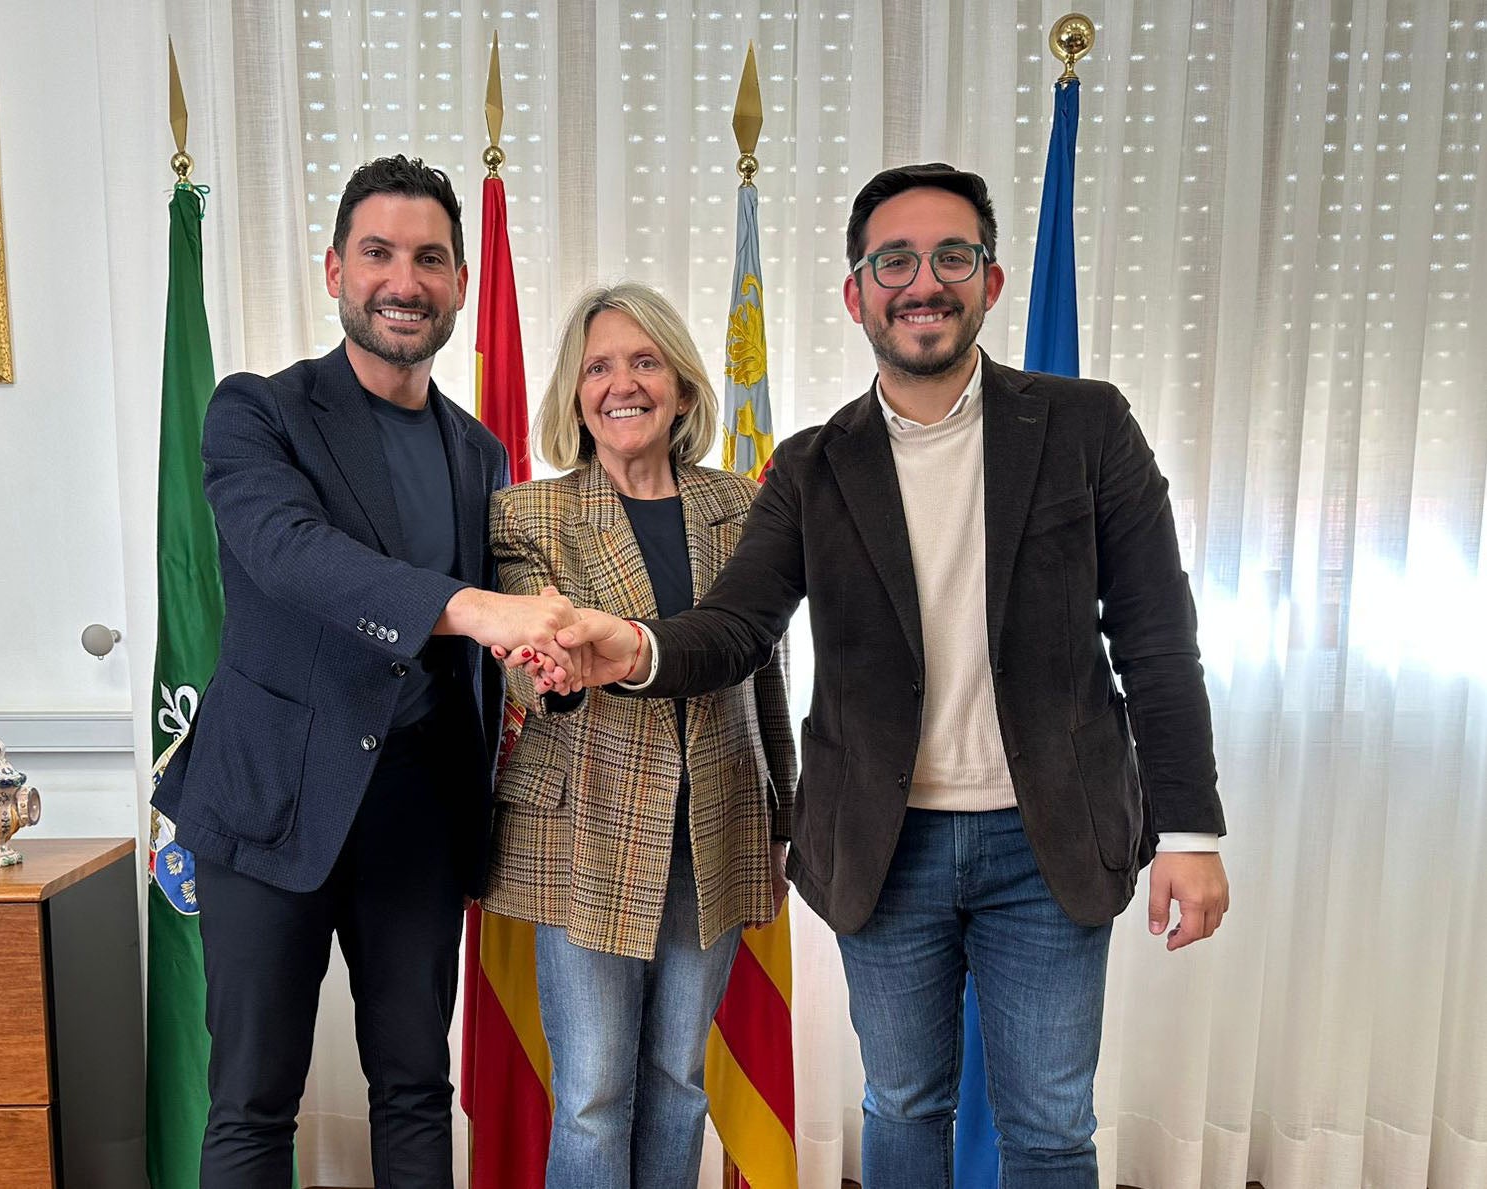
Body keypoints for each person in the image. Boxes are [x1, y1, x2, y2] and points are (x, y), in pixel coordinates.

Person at [522, 163, 1231, 1187]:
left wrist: (1190, 831)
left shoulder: (1087, 427)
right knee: (901, 1106)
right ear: (857, 294)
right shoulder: (811, 465)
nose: (923, 282)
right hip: (883, 845)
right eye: (893, 261)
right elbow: (736, 628)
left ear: (990, 281)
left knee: (1047, 1127)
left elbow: (1157, 636)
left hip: (1050, 841)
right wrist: (631, 647)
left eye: (952, 257)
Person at [151, 154, 578, 1189]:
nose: (404, 280)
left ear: (460, 284)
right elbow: (293, 554)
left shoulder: (479, 451)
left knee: (416, 1088)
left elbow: (492, 646)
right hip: (268, 801)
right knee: (252, 1100)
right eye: (379, 253)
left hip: (418, 810)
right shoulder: (256, 411)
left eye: (430, 259)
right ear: (335, 269)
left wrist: (551, 651)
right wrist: (475, 609)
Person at [482, 282, 797, 1189]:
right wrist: (549, 666)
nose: (622, 384)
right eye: (599, 368)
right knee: (592, 1092)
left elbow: (764, 667)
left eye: (645, 361)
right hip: (586, 828)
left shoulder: (742, 505)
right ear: (575, 394)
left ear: (684, 386)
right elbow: (525, 656)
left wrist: (783, 811)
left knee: (679, 1080)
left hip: (716, 823)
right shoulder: (528, 514)